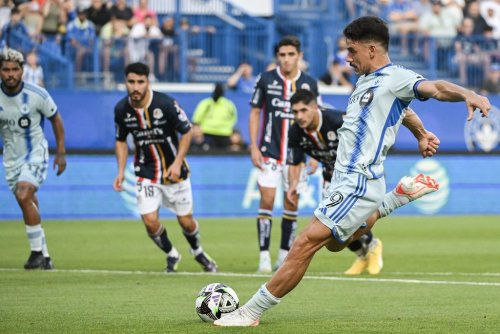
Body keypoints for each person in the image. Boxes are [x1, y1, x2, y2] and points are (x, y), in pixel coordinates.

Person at [214, 16, 491, 327]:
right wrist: (421, 134)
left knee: (305, 243)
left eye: (351, 50)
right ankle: (393, 199)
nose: (346, 58)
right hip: (345, 181)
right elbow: (405, 110)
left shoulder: (396, 76)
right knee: (333, 244)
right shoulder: (366, 81)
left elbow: (436, 88)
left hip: (358, 180)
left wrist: (469, 94)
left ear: (371, 49)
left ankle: (250, 312)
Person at [286, 89, 439, 275]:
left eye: (303, 110)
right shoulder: (295, 132)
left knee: (333, 231)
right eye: (295, 112)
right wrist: (293, 185)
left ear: (315, 107)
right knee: (332, 238)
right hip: (331, 179)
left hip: (358, 176)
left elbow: (368, 137)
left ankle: (373, 244)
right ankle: (363, 254)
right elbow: (294, 162)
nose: (299, 116)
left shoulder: (336, 120)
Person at [112, 62, 217, 273]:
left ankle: (197, 251)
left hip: (175, 174)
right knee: (150, 222)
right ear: (125, 82)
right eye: (131, 81)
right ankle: (171, 253)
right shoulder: (122, 109)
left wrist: (177, 163)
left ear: (147, 82)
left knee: (186, 223)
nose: (135, 87)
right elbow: (121, 141)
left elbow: (187, 132)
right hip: (146, 172)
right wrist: (121, 172)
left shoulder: (165, 103)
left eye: (140, 82)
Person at [249, 35, 319, 273]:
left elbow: (313, 120)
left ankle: (282, 257)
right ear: (277, 57)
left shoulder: (310, 83)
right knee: (266, 200)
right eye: (282, 55)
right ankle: (263, 258)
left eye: (291, 54)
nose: (287, 59)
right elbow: (255, 112)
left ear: (299, 56)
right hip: (269, 152)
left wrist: (314, 154)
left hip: (296, 156)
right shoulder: (266, 79)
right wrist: (253, 146)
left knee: (291, 203)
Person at [0, 48, 66, 270]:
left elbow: (56, 120)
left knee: (24, 193)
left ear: (22, 71)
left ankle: (36, 253)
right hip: (11, 159)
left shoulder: (37, 94)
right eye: (6, 69)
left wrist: (61, 152)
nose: (10, 74)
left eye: (15, 69)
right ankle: (45, 256)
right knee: (27, 201)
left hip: (35, 152)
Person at [191, 83, 237, 150]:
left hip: (224, 135)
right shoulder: (206, 104)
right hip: (207, 134)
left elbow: (233, 119)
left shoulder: (228, 105)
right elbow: (196, 121)